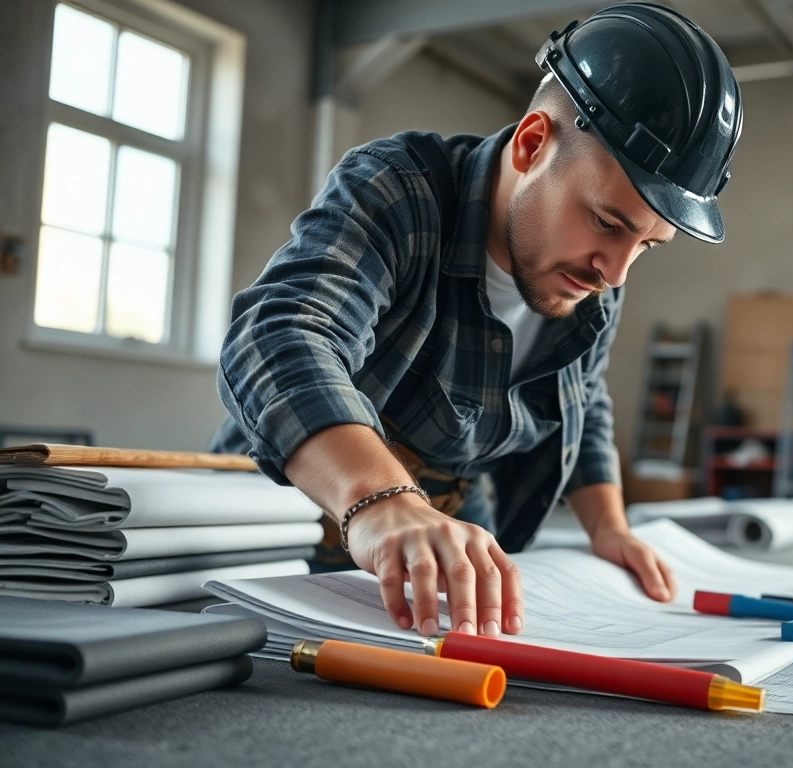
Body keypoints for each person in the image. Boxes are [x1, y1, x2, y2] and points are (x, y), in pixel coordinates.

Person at [209, 4, 743, 640]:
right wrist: (383, 500)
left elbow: (584, 398)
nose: (617, 271)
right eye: (607, 221)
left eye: (647, 245)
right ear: (532, 144)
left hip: (447, 527)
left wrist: (609, 529)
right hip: (274, 517)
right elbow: (280, 334)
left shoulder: (593, 274)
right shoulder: (398, 188)